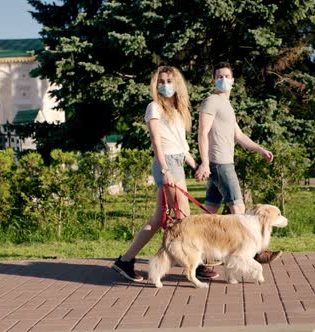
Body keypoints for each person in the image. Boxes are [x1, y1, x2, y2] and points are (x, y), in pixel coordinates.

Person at [112, 66, 219, 282]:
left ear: (177, 84)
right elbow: (157, 143)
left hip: (176, 161)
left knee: (160, 219)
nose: (165, 86)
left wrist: (195, 165)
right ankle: (196, 265)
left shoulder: (178, 110)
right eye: (161, 82)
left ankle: (125, 260)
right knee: (185, 218)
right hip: (167, 164)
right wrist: (165, 170)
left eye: (169, 81)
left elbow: (180, 145)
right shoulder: (154, 108)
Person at [194, 62, 282, 264]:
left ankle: (204, 255)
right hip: (220, 164)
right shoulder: (211, 101)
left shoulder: (227, 105)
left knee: (209, 212)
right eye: (219, 76)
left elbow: (239, 135)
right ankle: (256, 253)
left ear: (233, 81)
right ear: (213, 80)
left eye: (226, 76)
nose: (223, 79)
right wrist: (205, 163)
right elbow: (202, 133)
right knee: (239, 210)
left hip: (222, 163)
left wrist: (259, 149)